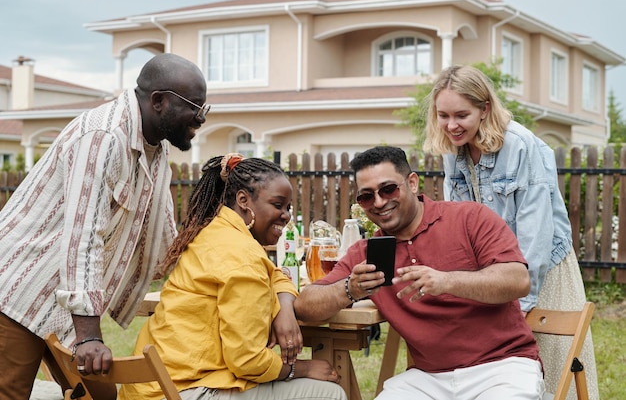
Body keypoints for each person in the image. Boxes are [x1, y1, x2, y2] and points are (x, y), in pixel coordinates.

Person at [0, 53, 209, 400]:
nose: (201, 117)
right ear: (159, 101)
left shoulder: (154, 149)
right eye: (194, 106)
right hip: (19, 293)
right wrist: (90, 337)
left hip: (65, 303)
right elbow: (82, 237)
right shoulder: (102, 136)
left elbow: (163, 233)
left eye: (205, 107)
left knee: (102, 397)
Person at [294, 145, 545, 400]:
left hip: (501, 367)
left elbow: (518, 279)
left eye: (388, 189)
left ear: (412, 183)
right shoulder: (366, 253)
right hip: (428, 377)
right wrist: (349, 288)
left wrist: (447, 280)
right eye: (367, 197)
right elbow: (304, 306)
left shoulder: (470, 217)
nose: (379, 202)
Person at [423, 64, 598, 399]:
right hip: (493, 273)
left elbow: (536, 231)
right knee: (498, 371)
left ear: (484, 108)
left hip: (540, 272)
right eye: (443, 115)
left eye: (461, 114)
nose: (451, 125)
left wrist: (522, 299)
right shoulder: (452, 148)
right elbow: (457, 220)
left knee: (548, 366)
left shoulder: (520, 145)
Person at [119, 154, 347, 400]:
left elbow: (274, 275)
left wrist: (285, 306)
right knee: (329, 394)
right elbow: (247, 361)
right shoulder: (242, 254)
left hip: (152, 386)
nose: (287, 215)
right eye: (278, 204)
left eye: (289, 207)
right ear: (243, 200)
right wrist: (301, 368)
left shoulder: (217, 232)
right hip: (182, 390)